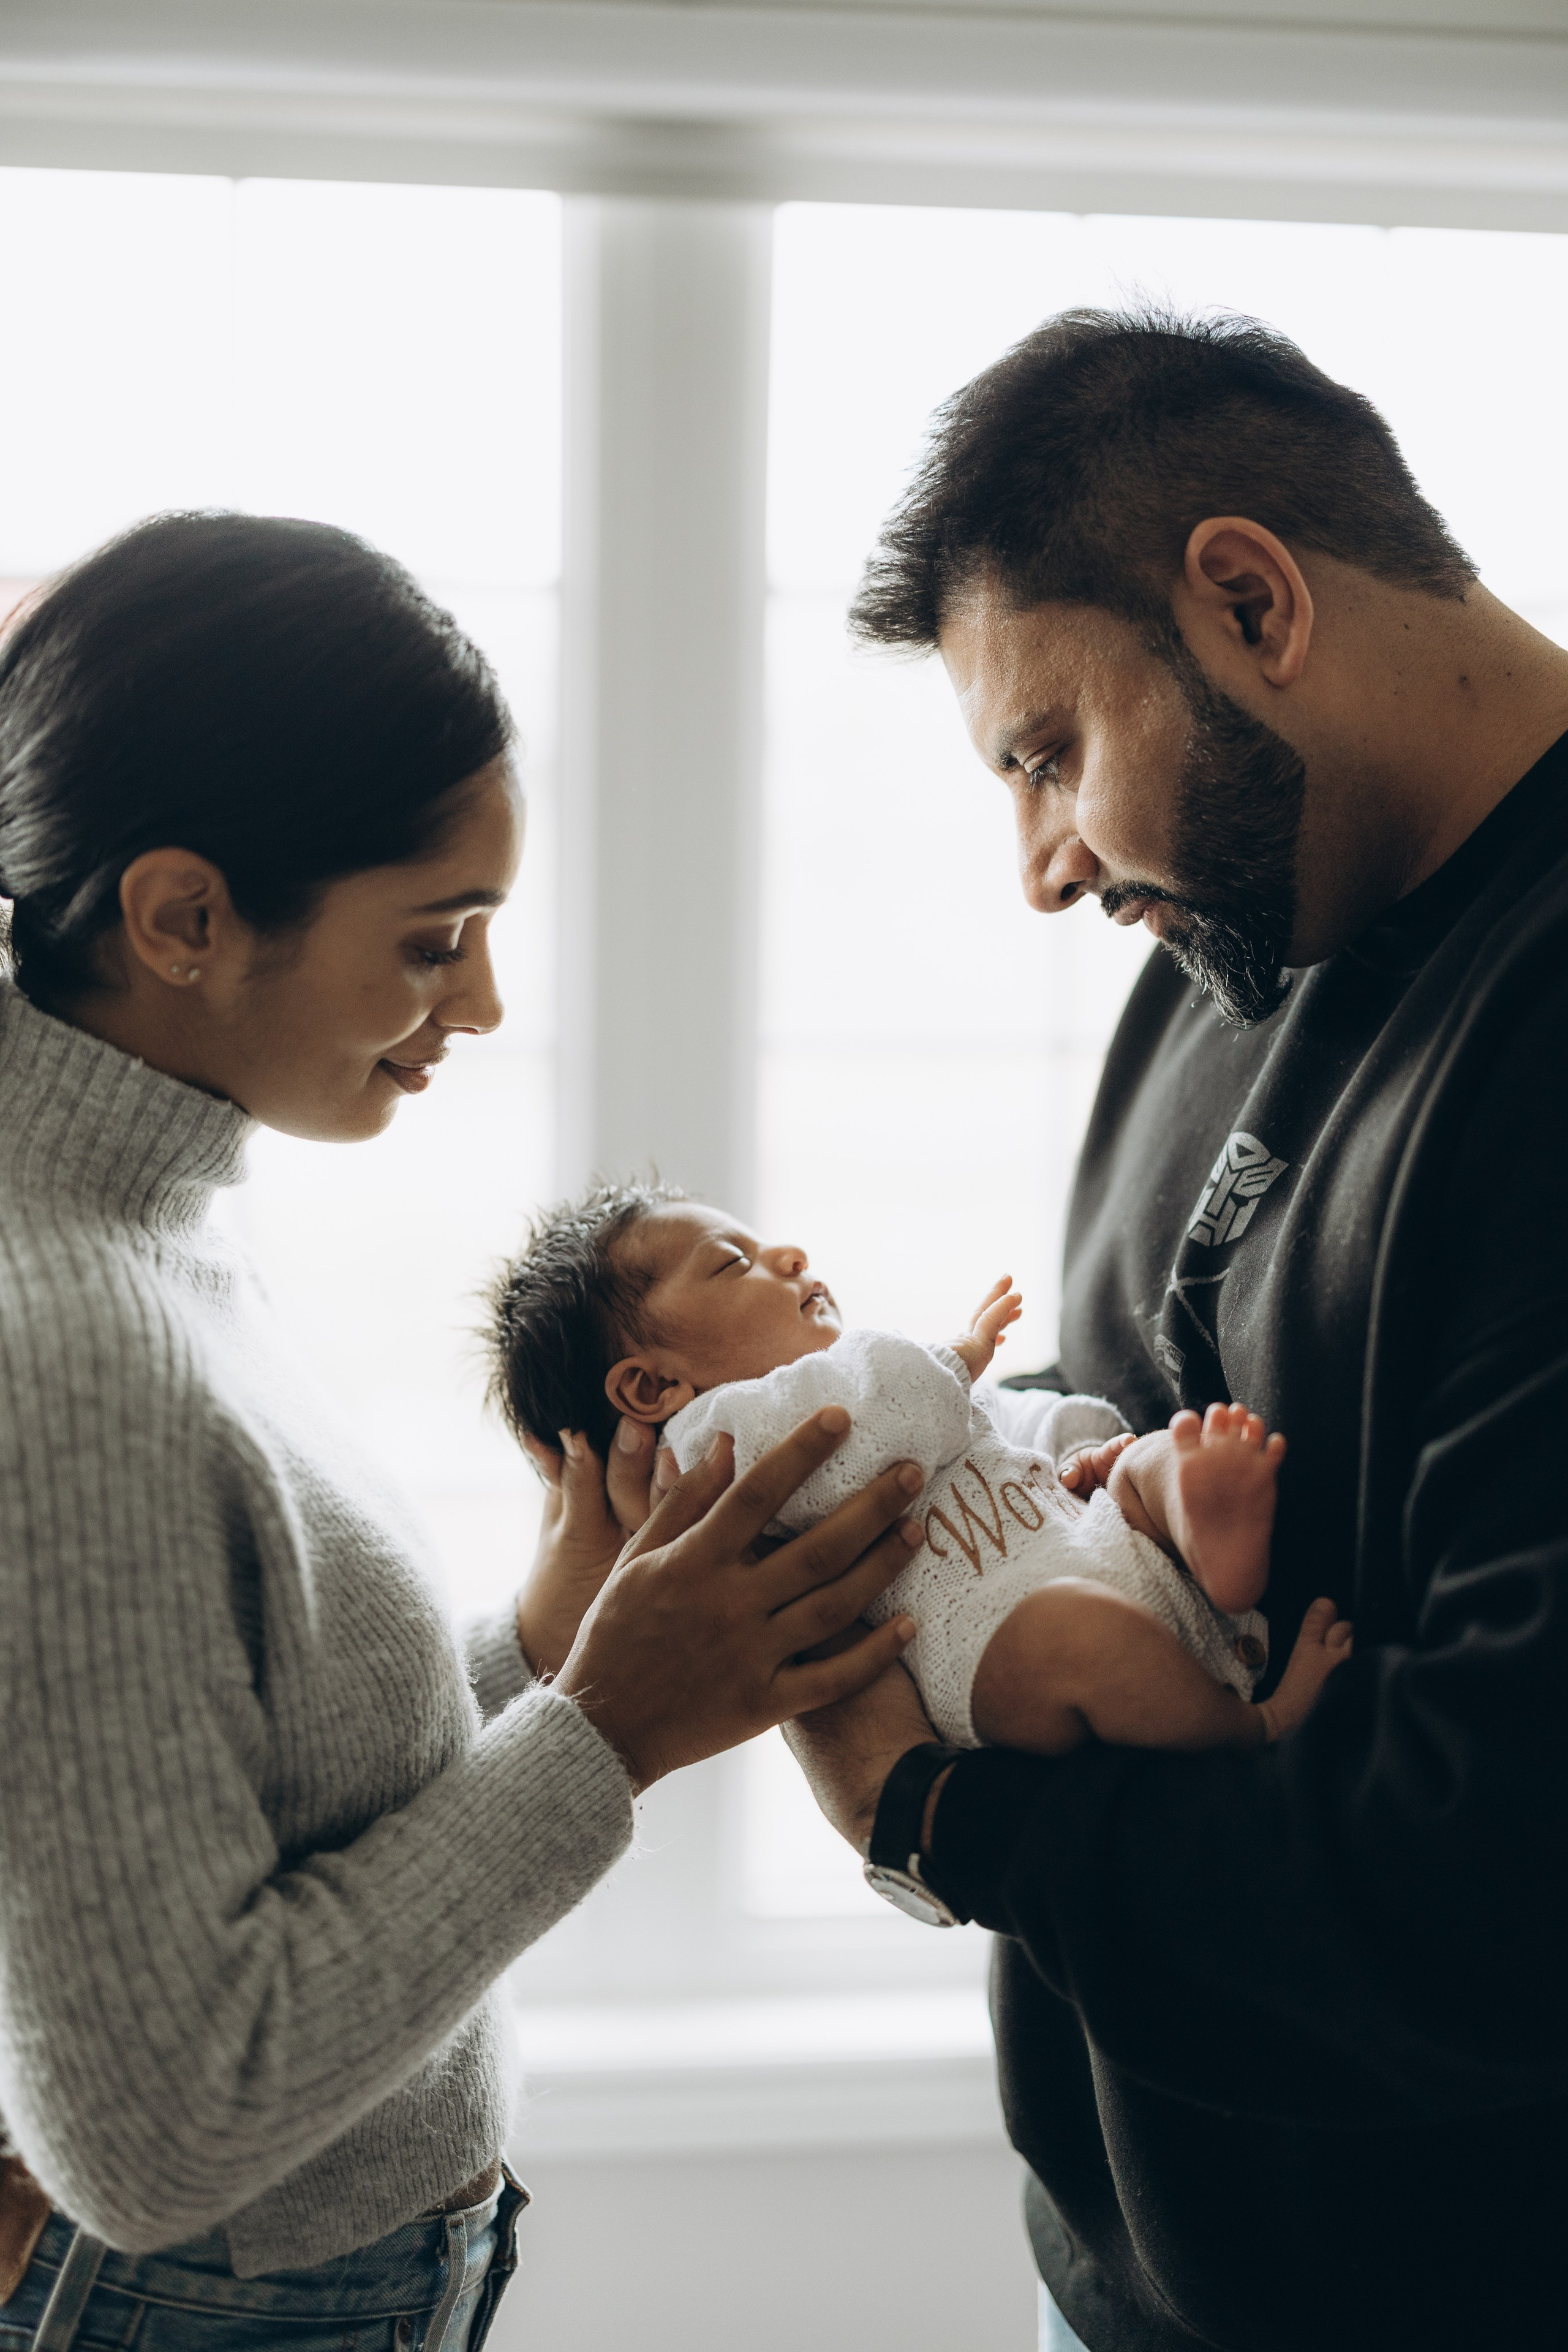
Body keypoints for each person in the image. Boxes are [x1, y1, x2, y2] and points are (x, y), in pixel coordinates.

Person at [0, 512, 922, 2352]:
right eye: (437, 939)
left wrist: (540, 1655)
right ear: (184, 916)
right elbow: (159, 2129)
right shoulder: (63, 1343)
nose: (482, 1008)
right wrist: (612, 1730)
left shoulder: (151, 1223)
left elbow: (240, 1812)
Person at [777, 306, 1568, 2351]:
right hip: (1129, 2277)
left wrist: (932, 1816)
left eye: (1050, 750)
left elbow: (1489, 1882)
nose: (1045, 864)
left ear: (1249, 599)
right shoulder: (1241, 945)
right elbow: (1170, 1401)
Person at [487, 1185, 1349, 1758]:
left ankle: (1196, 1522)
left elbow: (985, 1427)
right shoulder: (717, 1449)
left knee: (1151, 1459)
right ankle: (1253, 1726)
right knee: (1078, 1637)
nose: (787, 1254)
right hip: (992, 1639)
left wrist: (1075, 1450)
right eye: (731, 1262)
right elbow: (888, 1423)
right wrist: (963, 1354)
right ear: (651, 1385)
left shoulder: (864, 1380)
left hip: (1075, 1538)